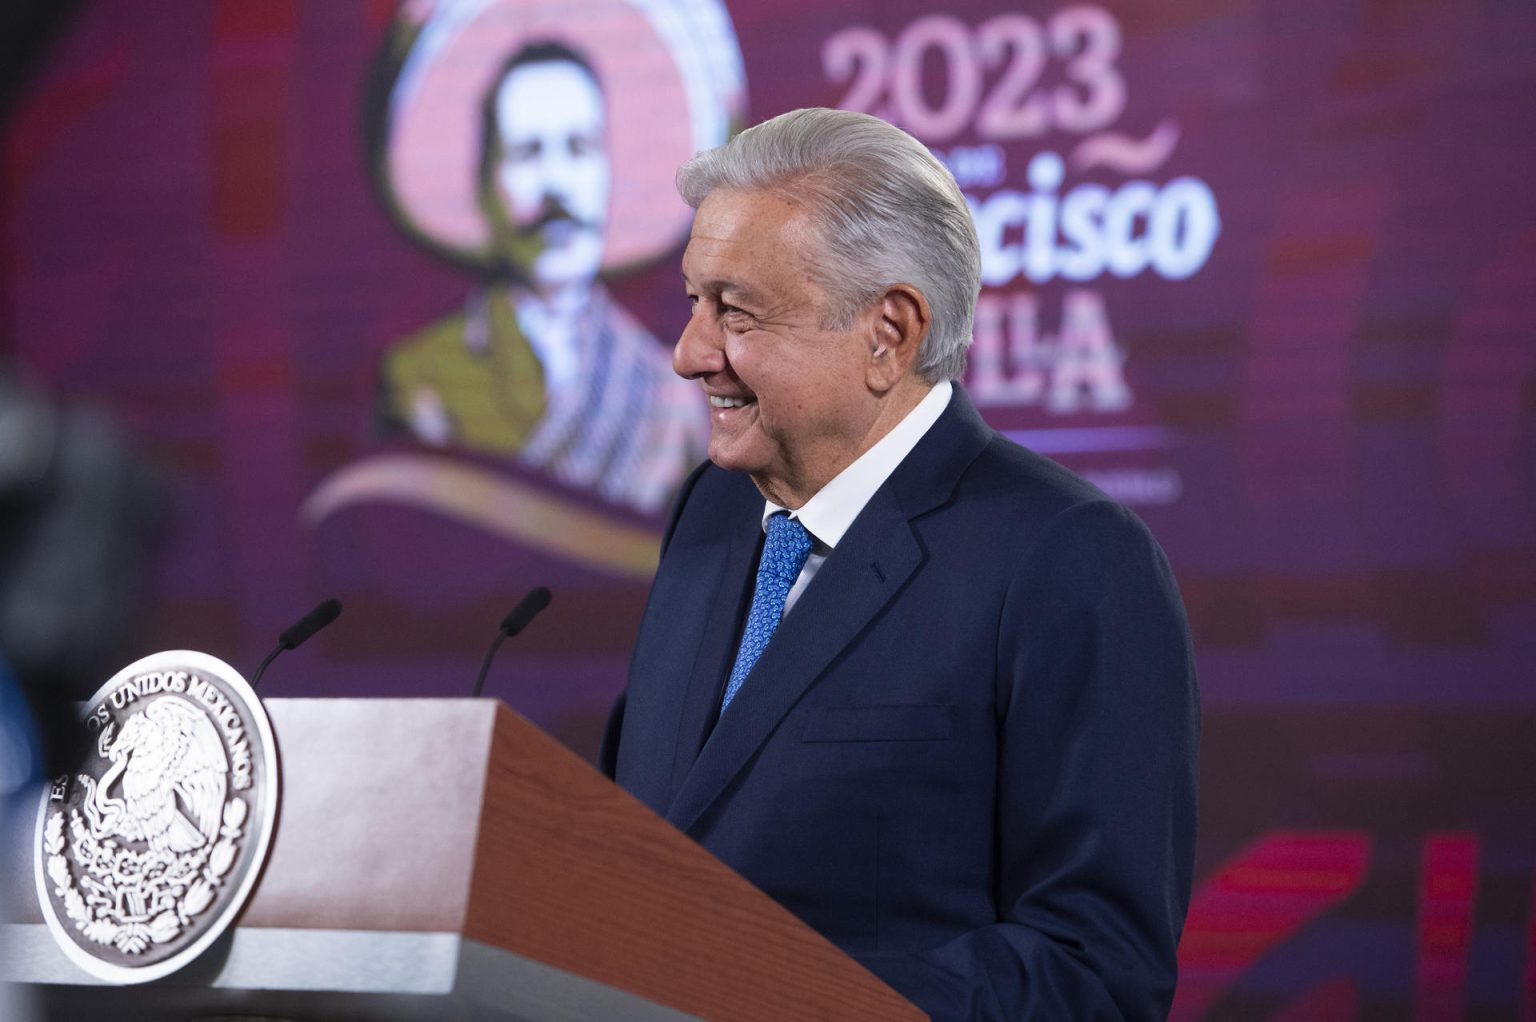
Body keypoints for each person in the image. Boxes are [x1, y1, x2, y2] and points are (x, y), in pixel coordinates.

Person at [601, 108, 1199, 1020]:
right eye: (692, 303)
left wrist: (774, 1000)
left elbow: (1096, 970)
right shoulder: (712, 514)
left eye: (736, 311)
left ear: (888, 332)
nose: (690, 354)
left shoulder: (1070, 559)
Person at [376, 40, 707, 514]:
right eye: (528, 153)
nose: (557, 183)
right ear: (485, 182)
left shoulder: (667, 396)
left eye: (579, 148)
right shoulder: (422, 381)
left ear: (609, 173)